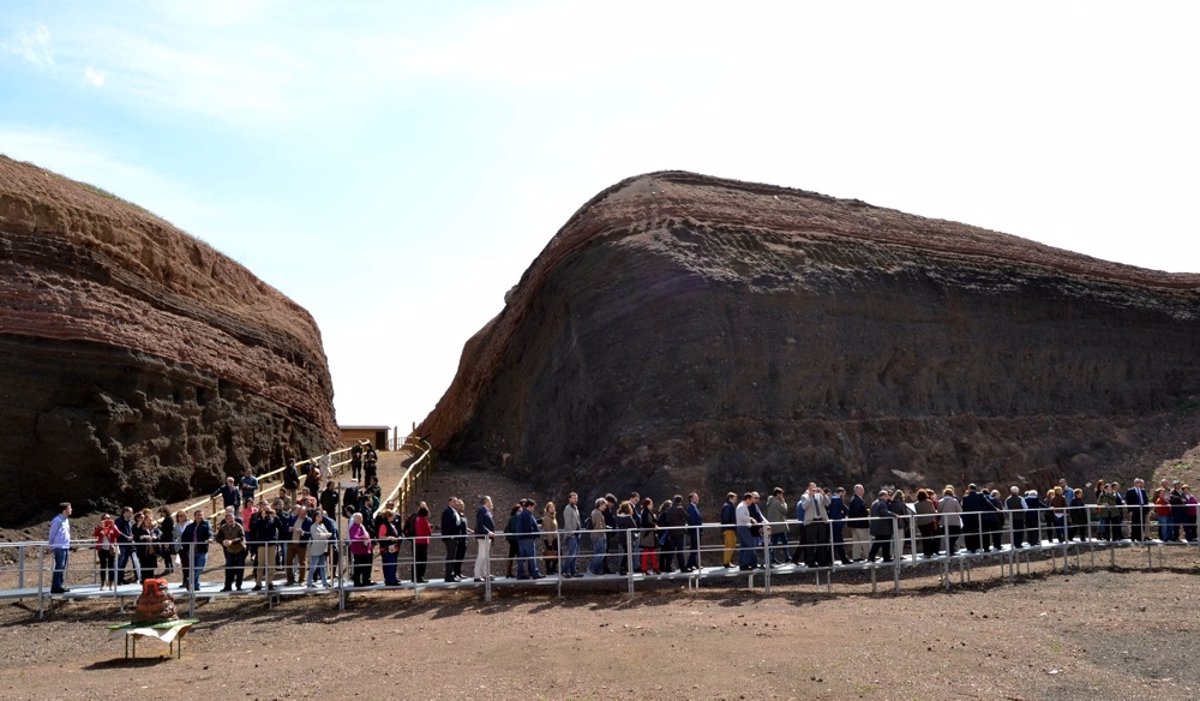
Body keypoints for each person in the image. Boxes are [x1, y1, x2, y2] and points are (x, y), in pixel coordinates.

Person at [249, 505, 284, 591]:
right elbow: (253, 528)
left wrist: (276, 516)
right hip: (262, 545)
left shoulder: (274, 519)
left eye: (269, 511)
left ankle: (269, 582)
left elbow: (281, 527)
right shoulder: (259, 520)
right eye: (266, 511)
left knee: (271, 565)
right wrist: (262, 518)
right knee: (260, 565)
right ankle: (258, 583)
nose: (268, 513)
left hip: (272, 545)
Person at [800, 483, 832, 567]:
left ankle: (821, 560)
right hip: (811, 522)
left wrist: (823, 493)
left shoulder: (819, 495)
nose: (814, 490)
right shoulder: (805, 496)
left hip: (820, 521)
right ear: (808, 489)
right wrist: (810, 496)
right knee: (810, 543)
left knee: (822, 542)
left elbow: (828, 503)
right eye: (812, 489)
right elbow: (804, 507)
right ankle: (810, 562)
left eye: (815, 488)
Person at [180, 509, 212, 590]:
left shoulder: (206, 525)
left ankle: (189, 580)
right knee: (193, 569)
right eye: (198, 515)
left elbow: (210, 533)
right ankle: (195, 586)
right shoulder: (189, 527)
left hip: (202, 550)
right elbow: (183, 538)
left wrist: (210, 539)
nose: (200, 516)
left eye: (201, 515)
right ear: (194, 516)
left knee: (200, 568)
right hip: (191, 551)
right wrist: (186, 548)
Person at [217, 508, 247, 591]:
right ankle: (227, 586)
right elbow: (218, 538)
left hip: (240, 549)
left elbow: (242, 537)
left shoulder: (239, 526)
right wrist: (223, 541)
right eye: (228, 519)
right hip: (230, 550)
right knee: (229, 568)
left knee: (240, 568)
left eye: (232, 519)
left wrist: (232, 541)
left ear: (234, 519)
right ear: (226, 520)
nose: (230, 521)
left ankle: (238, 586)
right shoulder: (223, 528)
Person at [284, 505, 312, 586]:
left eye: (303, 514)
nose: (301, 515)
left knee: (302, 563)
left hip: (301, 545)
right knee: (288, 562)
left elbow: (310, 533)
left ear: (306, 513)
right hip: (291, 544)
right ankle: (290, 579)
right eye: (300, 513)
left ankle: (301, 580)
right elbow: (286, 528)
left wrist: (302, 532)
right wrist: (290, 529)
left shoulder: (309, 521)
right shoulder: (293, 518)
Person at [440, 497, 467, 582]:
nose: (456, 503)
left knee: (453, 556)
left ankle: (452, 575)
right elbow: (448, 525)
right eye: (454, 501)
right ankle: (448, 576)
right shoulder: (448, 511)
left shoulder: (454, 511)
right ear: (449, 502)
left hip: (455, 538)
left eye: (456, 501)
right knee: (451, 556)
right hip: (450, 538)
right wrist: (452, 535)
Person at [514, 499, 542, 579]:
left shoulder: (522, 513)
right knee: (531, 556)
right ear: (529, 506)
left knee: (522, 557)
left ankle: (520, 574)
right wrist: (535, 532)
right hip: (527, 538)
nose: (533, 509)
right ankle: (535, 573)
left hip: (522, 538)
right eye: (533, 507)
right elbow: (528, 527)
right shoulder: (527, 514)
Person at [48, 502, 72, 594]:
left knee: (62, 567)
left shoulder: (66, 520)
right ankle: (55, 587)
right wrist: (51, 545)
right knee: (59, 566)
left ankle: (59, 586)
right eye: (69, 508)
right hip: (58, 547)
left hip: (65, 546)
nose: (71, 510)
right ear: (64, 510)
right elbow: (52, 534)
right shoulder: (57, 520)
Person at [113, 506, 139, 586]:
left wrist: (132, 537)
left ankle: (121, 579)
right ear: (125, 512)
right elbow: (117, 532)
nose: (131, 514)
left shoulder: (129, 522)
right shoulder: (118, 521)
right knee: (120, 562)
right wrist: (126, 537)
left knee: (124, 563)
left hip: (128, 545)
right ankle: (117, 580)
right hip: (122, 544)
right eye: (130, 512)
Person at [92, 514, 119, 590]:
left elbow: (118, 534)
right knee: (103, 566)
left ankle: (111, 583)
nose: (106, 520)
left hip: (111, 549)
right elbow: (94, 534)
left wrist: (113, 526)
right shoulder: (99, 527)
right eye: (104, 518)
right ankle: (103, 584)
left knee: (111, 566)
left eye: (108, 518)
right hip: (102, 549)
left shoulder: (113, 527)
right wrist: (100, 527)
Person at [867, 490, 895, 563]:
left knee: (878, 542)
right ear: (883, 496)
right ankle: (886, 557)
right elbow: (884, 512)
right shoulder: (882, 503)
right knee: (885, 543)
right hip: (883, 527)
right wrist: (894, 515)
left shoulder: (874, 503)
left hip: (877, 527)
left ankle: (872, 556)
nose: (887, 498)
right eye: (886, 496)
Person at [736, 492, 761, 571]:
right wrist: (750, 519)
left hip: (744, 527)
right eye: (751, 500)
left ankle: (742, 564)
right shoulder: (742, 506)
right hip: (743, 528)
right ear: (748, 499)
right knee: (750, 545)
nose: (751, 502)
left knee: (744, 546)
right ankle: (744, 564)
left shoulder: (743, 506)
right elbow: (742, 516)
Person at [307, 510, 333, 587]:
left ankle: (324, 582)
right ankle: (309, 582)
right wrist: (325, 534)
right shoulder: (313, 526)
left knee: (323, 567)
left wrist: (323, 534)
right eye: (319, 516)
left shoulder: (322, 525)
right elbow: (316, 536)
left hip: (323, 549)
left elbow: (329, 534)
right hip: (316, 550)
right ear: (316, 517)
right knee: (313, 567)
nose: (321, 517)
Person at [473, 496, 496, 582]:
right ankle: (477, 575)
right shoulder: (481, 511)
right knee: (481, 555)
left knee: (486, 556)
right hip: (483, 536)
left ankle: (485, 573)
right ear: (486, 501)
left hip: (487, 537)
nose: (491, 502)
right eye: (490, 500)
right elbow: (480, 524)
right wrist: (488, 532)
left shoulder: (487, 511)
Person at [348, 512, 374, 586]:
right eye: (359, 518)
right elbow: (354, 538)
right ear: (355, 519)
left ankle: (366, 580)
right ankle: (357, 582)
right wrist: (363, 537)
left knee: (366, 566)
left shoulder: (362, 526)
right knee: (358, 567)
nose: (360, 519)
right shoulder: (353, 527)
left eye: (361, 518)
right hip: (358, 550)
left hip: (365, 550)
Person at [765, 487, 790, 566]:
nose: (782, 496)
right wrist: (784, 502)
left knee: (774, 542)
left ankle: (772, 558)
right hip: (779, 525)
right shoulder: (777, 502)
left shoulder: (770, 501)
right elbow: (785, 511)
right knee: (784, 541)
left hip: (773, 525)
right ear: (778, 494)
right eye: (781, 494)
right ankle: (786, 557)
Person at [131, 511, 158, 583]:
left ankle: (151, 585)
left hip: (152, 551)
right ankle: (144, 585)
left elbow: (160, 535)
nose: (149, 522)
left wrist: (156, 537)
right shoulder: (140, 528)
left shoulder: (154, 528)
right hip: (143, 552)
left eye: (151, 520)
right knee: (144, 568)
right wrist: (141, 537)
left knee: (151, 569)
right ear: (144, 521)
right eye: (148, 520)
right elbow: (135, 537)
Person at [377, 508, 401, 586]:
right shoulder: (384, 525)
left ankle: (393, 578)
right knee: (389, 564)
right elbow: (380, 537)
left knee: (393, 563)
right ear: (389, 516)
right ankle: (389, 580)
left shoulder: (391, 524)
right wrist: (389, 537)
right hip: (387, 548)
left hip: (393, 547)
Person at [847, 484, 870, 562]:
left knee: (857, 541)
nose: (863, 491)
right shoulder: (857, 500)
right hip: (860, 524)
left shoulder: (855, 499)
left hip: (855, 524)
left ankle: (856, 556)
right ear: (857, 490)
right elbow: (857, 512)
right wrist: (865, 514)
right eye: (862, 489)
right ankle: (869, 555)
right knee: (864, 540)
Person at [560, 492, 581, 577]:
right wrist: (570, 534)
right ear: (569, 499)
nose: (575, 500)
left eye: (576, 498)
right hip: (572, 535)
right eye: (573, 498)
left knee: (575, 554)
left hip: (577, 534)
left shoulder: (575, 508)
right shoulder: (568, 508)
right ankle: (564, 571)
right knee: (571, 554)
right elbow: (567, 523)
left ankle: (573, 571)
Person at [914, 490, 939, 558]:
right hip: (929, 522)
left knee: (924, 537)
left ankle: (925, 552)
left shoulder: (916, 504)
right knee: (929, 537)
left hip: (920, 523)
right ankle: (929, 552)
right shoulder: (929, 502)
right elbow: (933, 511)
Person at [828, 487, 850, 565]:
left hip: (833, 524)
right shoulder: (837, 500)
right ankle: (840, 559)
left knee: (837, 542)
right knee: (837, 542)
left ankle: (841, 559)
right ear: (841, 493)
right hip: (836, 524)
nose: (844, 496)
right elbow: (846, 509)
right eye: (843, 494)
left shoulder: (832, 499)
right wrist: (843, 515)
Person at [938, 487, 963, 553]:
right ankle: (951, 549)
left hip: (944, 523)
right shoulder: (955, 501)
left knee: (947, 536)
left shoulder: (940, 501)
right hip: (954, 522)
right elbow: (960, 511)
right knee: (955, 535)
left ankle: (950, 549)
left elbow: (939, 512)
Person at [412, 505, 432, 583]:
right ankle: (421, 576)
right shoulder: (423, 520)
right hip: (423, 542)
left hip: (417, 541)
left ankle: (417, 576)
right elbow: (429, 531)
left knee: (418, 559)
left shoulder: (417, 519)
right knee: (423, 560)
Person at [588, 499, 609, 576]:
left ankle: (597, 570)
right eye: (604, 505)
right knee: (601, 553)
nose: (605, 507)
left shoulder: (597, 512)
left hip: (598, 535)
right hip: (598, 536)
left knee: (598, 553)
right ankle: (591, 568)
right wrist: (604, 530)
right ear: (600, 504)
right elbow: (598, 526)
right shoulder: (597, 513)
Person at [685, 492, 703, 571]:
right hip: (694, 531)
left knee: (695, 547)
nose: (697, 498)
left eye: (697, 497)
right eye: (695, 497)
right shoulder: (690, 508)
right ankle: (689, 565)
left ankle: (694, 563)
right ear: (691, 499)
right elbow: (692, 520)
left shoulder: (694, 507)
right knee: (694, 548)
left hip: (697, 530)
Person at [719, 492, 738, 568]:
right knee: (731, 544)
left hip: (727, 528)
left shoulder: (727, 505)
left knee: (728, 545)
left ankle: (726, 561)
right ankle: (727, 562)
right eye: (734, 499)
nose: (735, 500)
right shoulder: (728, 506)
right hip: (729, 528)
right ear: (730, 498)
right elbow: (726, 518)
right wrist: (732, 524)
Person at [157, 507, 176, 575]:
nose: (162, 513)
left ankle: (168, 568)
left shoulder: (169, 519)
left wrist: (160, 527)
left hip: (167, 540)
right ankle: (170, 568)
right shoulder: (167, 519)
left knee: (166, 555)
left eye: (163, 512)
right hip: (166, 539)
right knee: (166, 555)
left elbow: (168, 530)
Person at [542, 501, 559, 576]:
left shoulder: (553, 517)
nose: (552, 509)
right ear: (547, 509)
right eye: (551, 507)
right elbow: (548, 530)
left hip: (555, 538)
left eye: (553, 507)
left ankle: (553, 569)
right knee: (549, 554)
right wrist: (549, 543)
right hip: (550, 539)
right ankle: (549, 571)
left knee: (557, 554)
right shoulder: (547, 518)